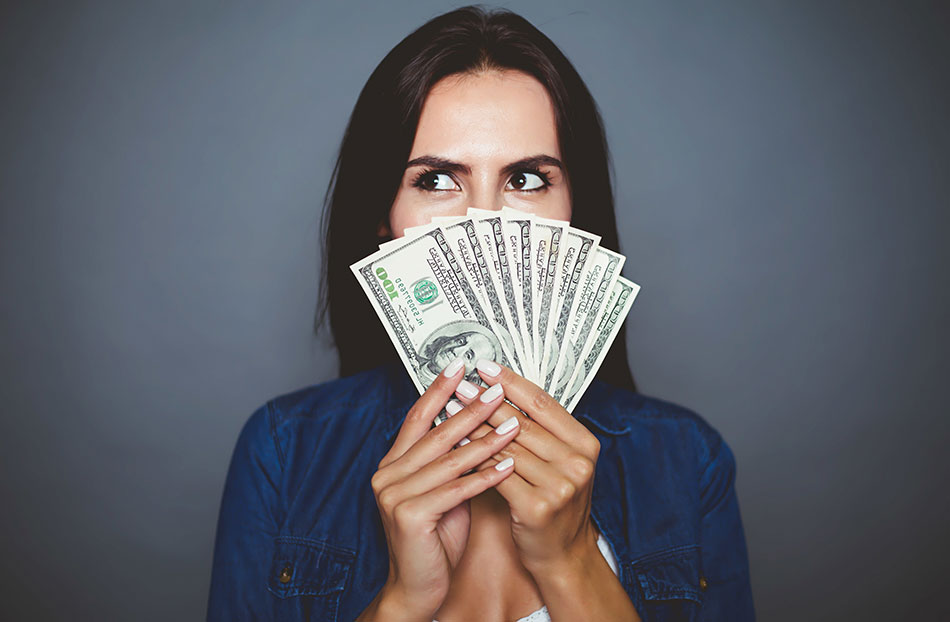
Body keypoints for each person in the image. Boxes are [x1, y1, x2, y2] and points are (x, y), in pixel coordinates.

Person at [207, 6, 755, 621]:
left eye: (526, 178)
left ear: (576, 212)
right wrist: (403, 603)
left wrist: (571, 561)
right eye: (438, 180)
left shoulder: (685, 460)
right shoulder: (285, 452)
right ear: (381, 221)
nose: (485, 224)